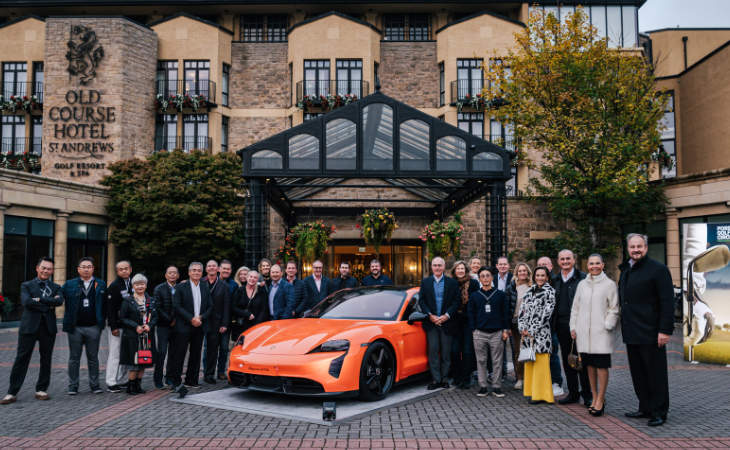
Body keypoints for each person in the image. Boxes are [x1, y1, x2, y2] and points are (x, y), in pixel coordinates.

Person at [619, 233, 674, 427]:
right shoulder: (626, 269)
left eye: (639, 246)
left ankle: (659, 411)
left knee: (655, 374)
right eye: (632, 247)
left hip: (652, 332)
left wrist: (665, 330)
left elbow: (667, 302)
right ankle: (645, 407)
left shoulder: (658, 270)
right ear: (628, 249)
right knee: (639, 373)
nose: (636, 250)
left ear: (646, 247)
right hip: (632, 332)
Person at [2, 257, 63, 405]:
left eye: (49, 268)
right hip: (29, 327)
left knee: (46, 359)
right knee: (21, 359)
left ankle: (41, 389)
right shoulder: (27, 285)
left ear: (52, 271)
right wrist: (47, 302)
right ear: (37, 268)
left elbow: (59, 301)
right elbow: (26, 302)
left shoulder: (56, 287)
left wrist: (39, 299)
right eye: (43, 267)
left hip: (48, 327)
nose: (46, 271)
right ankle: (12, 392)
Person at [570, 254, 620, 417]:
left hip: (601, 334)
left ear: (603, 265)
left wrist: (608, 324)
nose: (594, 266)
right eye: (591, 264)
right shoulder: (582, 285)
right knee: (589, 366)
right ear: (587, 266)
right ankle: (593, 395)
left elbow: (614, 308)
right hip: (584, 333)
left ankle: (601, 398)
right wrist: (573, 326)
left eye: (597, 263)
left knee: (601, 366)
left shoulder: (609, 284)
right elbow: (575, 308)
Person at [61, 257, 107, 395]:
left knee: (93, 357)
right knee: (74, 358)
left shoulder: (100, 284)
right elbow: (57, 297)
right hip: (75, 327)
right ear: (78, 269)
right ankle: (73, 386)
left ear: (93, 269)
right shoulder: (69, 284)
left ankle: (95, 385)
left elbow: (106, 304)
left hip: (94, 327)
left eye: (89, 266)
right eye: (83, 266)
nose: (86, 269)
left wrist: (102, 323)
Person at [553, 250, 591, 407]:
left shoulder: (583, 278)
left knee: (583, 361)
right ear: (558, 261)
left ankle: (588, 395)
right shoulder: (554, 280)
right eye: (562, 259)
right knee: (568, 360)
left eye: (568, 258)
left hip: (579, 326)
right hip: (561, 326)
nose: (565, 261)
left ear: (574, 260)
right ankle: (573, 393)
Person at [169, 262, 211, 397]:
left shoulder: (205, 287)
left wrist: (201, 318)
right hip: (184, 326)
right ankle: (176, 381)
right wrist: (191, 318)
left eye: (199, 271)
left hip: (199, 325)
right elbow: (177, 306)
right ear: (188, 272)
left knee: (196, 354)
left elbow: (210, 306)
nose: (196, 272)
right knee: (179, 354)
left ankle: (191, 380)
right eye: (193, 270)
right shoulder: (182, 287)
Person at [418, 257, 459, 390]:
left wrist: (446, 316)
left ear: (444, 267)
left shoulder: (452, 283)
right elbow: (422, 301)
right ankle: (436, 380)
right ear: (431, 267)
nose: (437, 268)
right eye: (435, 265)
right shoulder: (425, 282)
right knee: (433, 352)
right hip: (432, 323)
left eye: (439, 265)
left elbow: (456, 301)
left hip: (447, 322)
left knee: (446, 353)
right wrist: (430, 315)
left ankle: (445, 379)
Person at [469, 267, 510, 398]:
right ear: (479, 279)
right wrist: (473, 330)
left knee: (497, 361)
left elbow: (505, 314)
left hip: (497, 333)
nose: (485, 278)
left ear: (492, 278)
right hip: (480, 333)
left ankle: (497, 387)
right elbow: (471, 314)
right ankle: (483, 386)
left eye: (488, 276)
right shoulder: (475, 296)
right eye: (483, 276)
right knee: (481, 360)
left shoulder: (500, 295)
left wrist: (505, 330)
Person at [518, 266, 555, 404]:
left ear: (547, 277)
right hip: (527, 335)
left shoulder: (550, 292)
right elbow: (522, 311)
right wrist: (522, 327)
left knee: (541, 365)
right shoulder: (529, 291)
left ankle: (542, 395)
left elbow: (546, 314)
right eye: (537, 275)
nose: (540, 278)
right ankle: (531, 392)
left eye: (542, 275)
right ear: (534, 276)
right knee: (530, 363)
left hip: (541, 335)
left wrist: (532, 329)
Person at [118, 274, 156, 395]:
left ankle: (138, 385)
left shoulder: (151, 300)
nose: (140, 286)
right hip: (132, 336)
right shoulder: (128, 301)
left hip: (147, 336)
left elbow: (156, 317)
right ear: (133, 286)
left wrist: (150, 325)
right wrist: (136, 326)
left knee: (144, 361)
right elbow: (123, 318)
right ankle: (130, 386)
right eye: (137, 284)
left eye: (142, 284)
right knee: (134, 362)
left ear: (146, 285)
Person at [449, 260, 479, 389]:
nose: (460, 271)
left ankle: (467, 377)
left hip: (468, 321)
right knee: (455, 351)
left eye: (462, 268)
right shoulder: (450, 284)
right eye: (458, 268)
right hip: (454, 322)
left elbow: (477, 303)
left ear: (466, 270)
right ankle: (457, 377)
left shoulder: (473, 283)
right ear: (454, 271)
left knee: (467, 351)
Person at [537, 255, 564, 397]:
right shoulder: (535, 285)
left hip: (551, 326)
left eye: (545, 264)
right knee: (541, 356)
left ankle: (556, 382)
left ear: (551, 266)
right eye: (540, 264)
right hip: (538, 330)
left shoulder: (556, 282)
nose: (543, 266)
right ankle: (543, 382)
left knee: (553, 355)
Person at [201, 260, 231, 384]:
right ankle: (202, 372)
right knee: (203, 349)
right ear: (206, 269)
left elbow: (226, 306)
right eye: (209, 266)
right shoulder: (200, 282)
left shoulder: (224, 286)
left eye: (214, 266)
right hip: (202, 320)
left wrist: (224, 323)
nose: (211, 268)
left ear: (218, 269)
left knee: (213, 349)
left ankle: (209, 374)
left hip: (216, 322)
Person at [105, 260, 132, 393]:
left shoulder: (134, 284)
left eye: (126, 268)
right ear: (117, 271)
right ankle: (111, 381)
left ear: (130, 269)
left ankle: (122, 379)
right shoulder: (114, 286)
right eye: (121, 269)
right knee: (115, 354)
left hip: (131, 326)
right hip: (118, 326)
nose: (124, 271)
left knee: (127, 354)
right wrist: (113, 326)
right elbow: (110, 308)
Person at [505, 262, 532, 390]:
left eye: (524, 271)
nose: (522, 273)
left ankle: (530, 378)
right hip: (515, 324)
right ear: (516, 273)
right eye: (520, 271)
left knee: (530, 351)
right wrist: (507, 326)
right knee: (517, 351)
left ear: (528, 273)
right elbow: (506, 307)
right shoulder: (511, 287)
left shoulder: (533, 287)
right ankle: (519, 378)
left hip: (530, 325)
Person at [152, 265, 178, 389]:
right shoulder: (159, 288)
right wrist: (169, 320)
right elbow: (158, 307)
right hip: (163, 325)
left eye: (174, 273)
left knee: (173, 353)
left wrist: (175, 320)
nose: (172, 275)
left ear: (178, 275)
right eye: (170, 273)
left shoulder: (180, 288)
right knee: (161, 353)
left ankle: (170, 378)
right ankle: (158, 379)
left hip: (177, 325)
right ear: (166, 275)